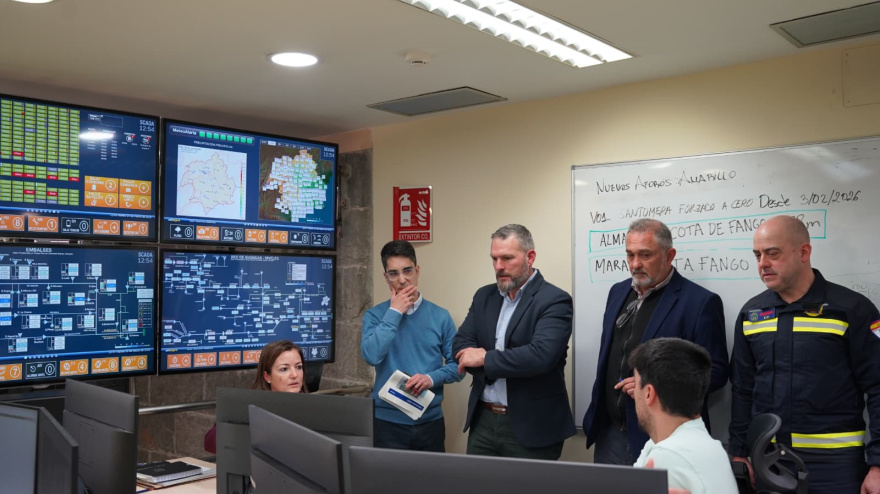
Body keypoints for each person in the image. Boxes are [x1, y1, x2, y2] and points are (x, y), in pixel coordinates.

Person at [729, 215, 880, 494]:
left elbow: (878, 386)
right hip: (769, 462)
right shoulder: (752, 314)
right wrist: (739, 453)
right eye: (757, 255)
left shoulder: (851, 309)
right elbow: (742, 388)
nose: (763, 263)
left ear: (804, 252)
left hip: (836, 465)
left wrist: (878, 465)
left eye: (772, 253)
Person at [582, 218, 729, 464]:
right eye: (630, 255)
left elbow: (716, 372)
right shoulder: (618, 292)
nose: (635, 264)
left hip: (664, 438)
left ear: (669, 255)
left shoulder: (700, 302)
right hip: (610, 434)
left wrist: (654, 384)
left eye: (645, 255)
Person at [453, 224, 575, 459]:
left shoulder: (554, 300)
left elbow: (540, 356)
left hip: (532, 425)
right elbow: (460, 345)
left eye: (507, 258)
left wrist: (485, 358)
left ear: (530, 257)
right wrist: (478, 359)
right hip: (483, 419)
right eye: (494, 258)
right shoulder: (484, 296)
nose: (499, 266)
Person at [361, 240, 462, 451]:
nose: (402, 280)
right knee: (386, 475)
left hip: (429, 422)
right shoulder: (375, 315)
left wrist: (430, 378)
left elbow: (458, 367)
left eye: (407, 271)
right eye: (394, 273)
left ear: (417, 271)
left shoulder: (440, 316)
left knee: (431, 474)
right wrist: (394, 313)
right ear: (386, 277)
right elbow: (371, 356)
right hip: (386, 423)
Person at [630, 337, 738, 494]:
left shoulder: (668, 456)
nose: (634, 393)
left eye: (635, 384)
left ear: (648, 394)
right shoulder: (699, 443)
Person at [203, 340, 306, 453]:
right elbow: (209, 442)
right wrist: (243, 431)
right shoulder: (248, 405)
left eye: (299, 367)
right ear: (267, 376)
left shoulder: (312, 407)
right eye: (284, 369)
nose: (294, 375)